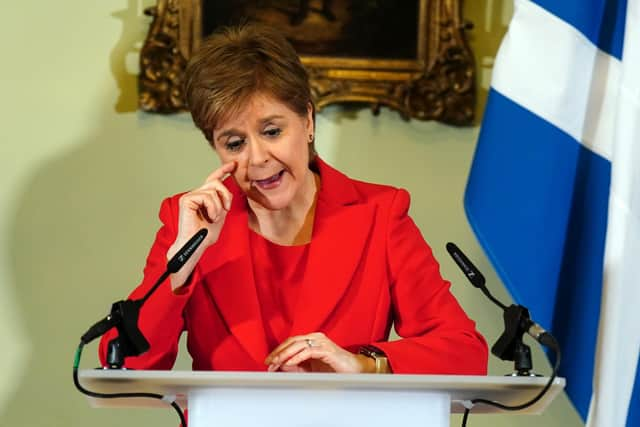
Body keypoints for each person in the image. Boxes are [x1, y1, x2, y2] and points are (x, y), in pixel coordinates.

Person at [99, 23, 488, 374]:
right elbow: (125, 363)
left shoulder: (380, 214)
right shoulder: (187, 220)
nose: (257, 158)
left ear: (307, 120)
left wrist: (363, 365)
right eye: (234, 143)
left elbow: (465, 354)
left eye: (271, 131)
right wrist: (181, 267)